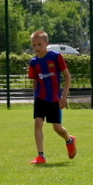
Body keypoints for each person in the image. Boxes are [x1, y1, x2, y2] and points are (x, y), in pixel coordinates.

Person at [27, 30, 77, 164]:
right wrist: (35, 96)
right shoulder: (34, 62)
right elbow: (35, 80)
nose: (37, 48)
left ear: (46, 43)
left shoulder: (55, 57)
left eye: (39, 44)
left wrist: (64, 97)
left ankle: (69, 140)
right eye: (34, 45)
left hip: (54, 98)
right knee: (38, 123)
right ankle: (41, 156)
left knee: (57, 128)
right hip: (40, 97)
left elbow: (67, 76)